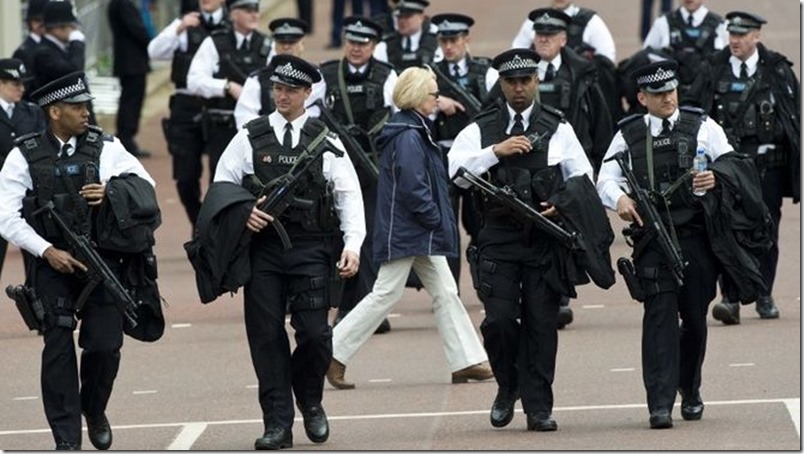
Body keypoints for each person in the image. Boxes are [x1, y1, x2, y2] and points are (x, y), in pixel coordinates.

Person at [213, 54, 365, 450]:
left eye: (291, 90)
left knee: (315, 334)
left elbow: (349, 194)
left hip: (312, 248)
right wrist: (244, 213)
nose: (282, 95)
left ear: (307, 93)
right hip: (262, 252)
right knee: (265, 337)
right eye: (277, 88)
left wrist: (353, 245)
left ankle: (310, 399)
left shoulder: (324, 139)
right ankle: (277, 422)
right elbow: (221, 189)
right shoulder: (249, 135)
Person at [0, 71, 154, 450]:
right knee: (57, 345)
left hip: (100, 261)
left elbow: (144, 187)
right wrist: (46, 251)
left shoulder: (107, 148)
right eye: (77, 106)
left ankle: (94, 408)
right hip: (49, 261)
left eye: (86, 105)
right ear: (55, 112)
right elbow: (6, 216)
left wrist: (111, 191)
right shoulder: (24, 154)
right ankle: (66, 439)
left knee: (105, 346)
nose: (86, 112)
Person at [448, 48, 597, 431]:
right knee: (498, 322)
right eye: (511, 82)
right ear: (501, 84)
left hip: (543, 237)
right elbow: (456, 174)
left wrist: (561, 205)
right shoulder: (481, 128)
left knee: (541, 324)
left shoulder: (557, 127)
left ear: (536, 82)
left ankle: (538, 406)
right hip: (497, 235)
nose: (518, 88)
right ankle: (507, 385)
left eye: (525, 81)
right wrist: (495, 152)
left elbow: (584, 178)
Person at [596, 60, 748, 429]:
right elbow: (605, 178)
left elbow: (732, 164)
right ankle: (659, 402)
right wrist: (621, 201)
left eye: (671, 90)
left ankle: (690, 387)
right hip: (653, 239)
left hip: (696, 237)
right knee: (659, 319)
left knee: (694, 320)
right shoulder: (628, 134)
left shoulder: (702, 125)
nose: (667, 98)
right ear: (641, 97)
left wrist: (717, 177)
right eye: (659, 93)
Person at [325, 66, 493, 390]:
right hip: (411, 230)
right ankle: (330, 352)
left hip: (413, 230)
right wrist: (434, 219)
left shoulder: (410, 130)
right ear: (418, 97)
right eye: (433, 93)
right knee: (385, 295)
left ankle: (466, 361)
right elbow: (414, 189)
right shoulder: (409, 136)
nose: (437, 99)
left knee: (445, 291)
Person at [685, 12, 800, 325]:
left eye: (742, 34)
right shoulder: (712, 67)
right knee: (727, 230)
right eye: (731, 34)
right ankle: (731, 298)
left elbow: (794, 118)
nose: (735, 40)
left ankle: (764, 294)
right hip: (728, 169)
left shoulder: (777, 69)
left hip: (767, 168)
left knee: (766, 230)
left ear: (756, 36)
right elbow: (693, 113)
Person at [319, 16, 398, 333]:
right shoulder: (326, 74)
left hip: (373, 169)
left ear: (374, 46)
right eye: (351, 41)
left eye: (363, 43)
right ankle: (349, 307)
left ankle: (367, 307)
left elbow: (400, 114)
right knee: (340, 237)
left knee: (369, 240)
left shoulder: (386, 75)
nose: (356, 48)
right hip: (336, 168)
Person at [184, 0, 271, 227]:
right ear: (233, 14)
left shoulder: (266, 45)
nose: (254, 15)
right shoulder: (215, 42)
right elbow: (193, 81)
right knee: (222, 184)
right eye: (247, 10)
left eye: (256, 10)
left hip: (257, 128)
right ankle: (215, 234)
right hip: (222, 126)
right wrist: (226, 86)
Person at [428, 12, 498, 288]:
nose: (448, 46)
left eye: (453, 39)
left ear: (466, 39)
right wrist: (436, 102)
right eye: (443, 40)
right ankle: (449, 289)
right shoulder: (430, 74)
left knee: (480, 223)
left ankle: (487, 285)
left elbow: (496, 112)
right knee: (446, 227)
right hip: (443, 154)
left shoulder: (487, 72)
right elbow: (414, 109)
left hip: (478, 158)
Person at [234, 17, 326, 129]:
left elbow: (312, 114)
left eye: (292, 42)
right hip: (263, 142)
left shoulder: (314, 77)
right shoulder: (257, 78)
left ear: (302, 43)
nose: (286, 46)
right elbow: (243, 116)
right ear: (274, 44)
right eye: (281, 41)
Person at [0, 58, 46, 282]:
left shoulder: (32, 112)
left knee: (36, 254)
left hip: (28, 193)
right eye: (14, 83)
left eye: (22, 83)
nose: (21, 88)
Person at [642, 0, 728, 99]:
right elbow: (647, 57)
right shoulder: (663, 23)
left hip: (707, 97)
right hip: (671, 96)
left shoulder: (721, 26)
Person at [108, 0, 153, 159]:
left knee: (130, 100)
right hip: (131, 62)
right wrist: (152, 42)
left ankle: (126, 136)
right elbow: (137, 29)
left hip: (129, 61)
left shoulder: (118, 4)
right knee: (131, 101)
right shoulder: (123, 4)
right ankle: (126, 138)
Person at [31, 1, 87, 93]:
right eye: (71, 26)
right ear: (57, 28)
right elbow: (74, 73)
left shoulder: (63, 48)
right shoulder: (44, 53)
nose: (74, 30)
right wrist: (77, 44)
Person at [373, 0, 441, 72]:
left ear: (421, 17)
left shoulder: (437, 41)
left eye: (407, 17)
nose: (402, 21)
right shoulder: (385, 46)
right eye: (399, 17)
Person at [13, 0, 49, 99]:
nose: (41, 25)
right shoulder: (23, 52)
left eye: (45, 21)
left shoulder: (53, 46)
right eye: (37, 21)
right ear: (29, 23)